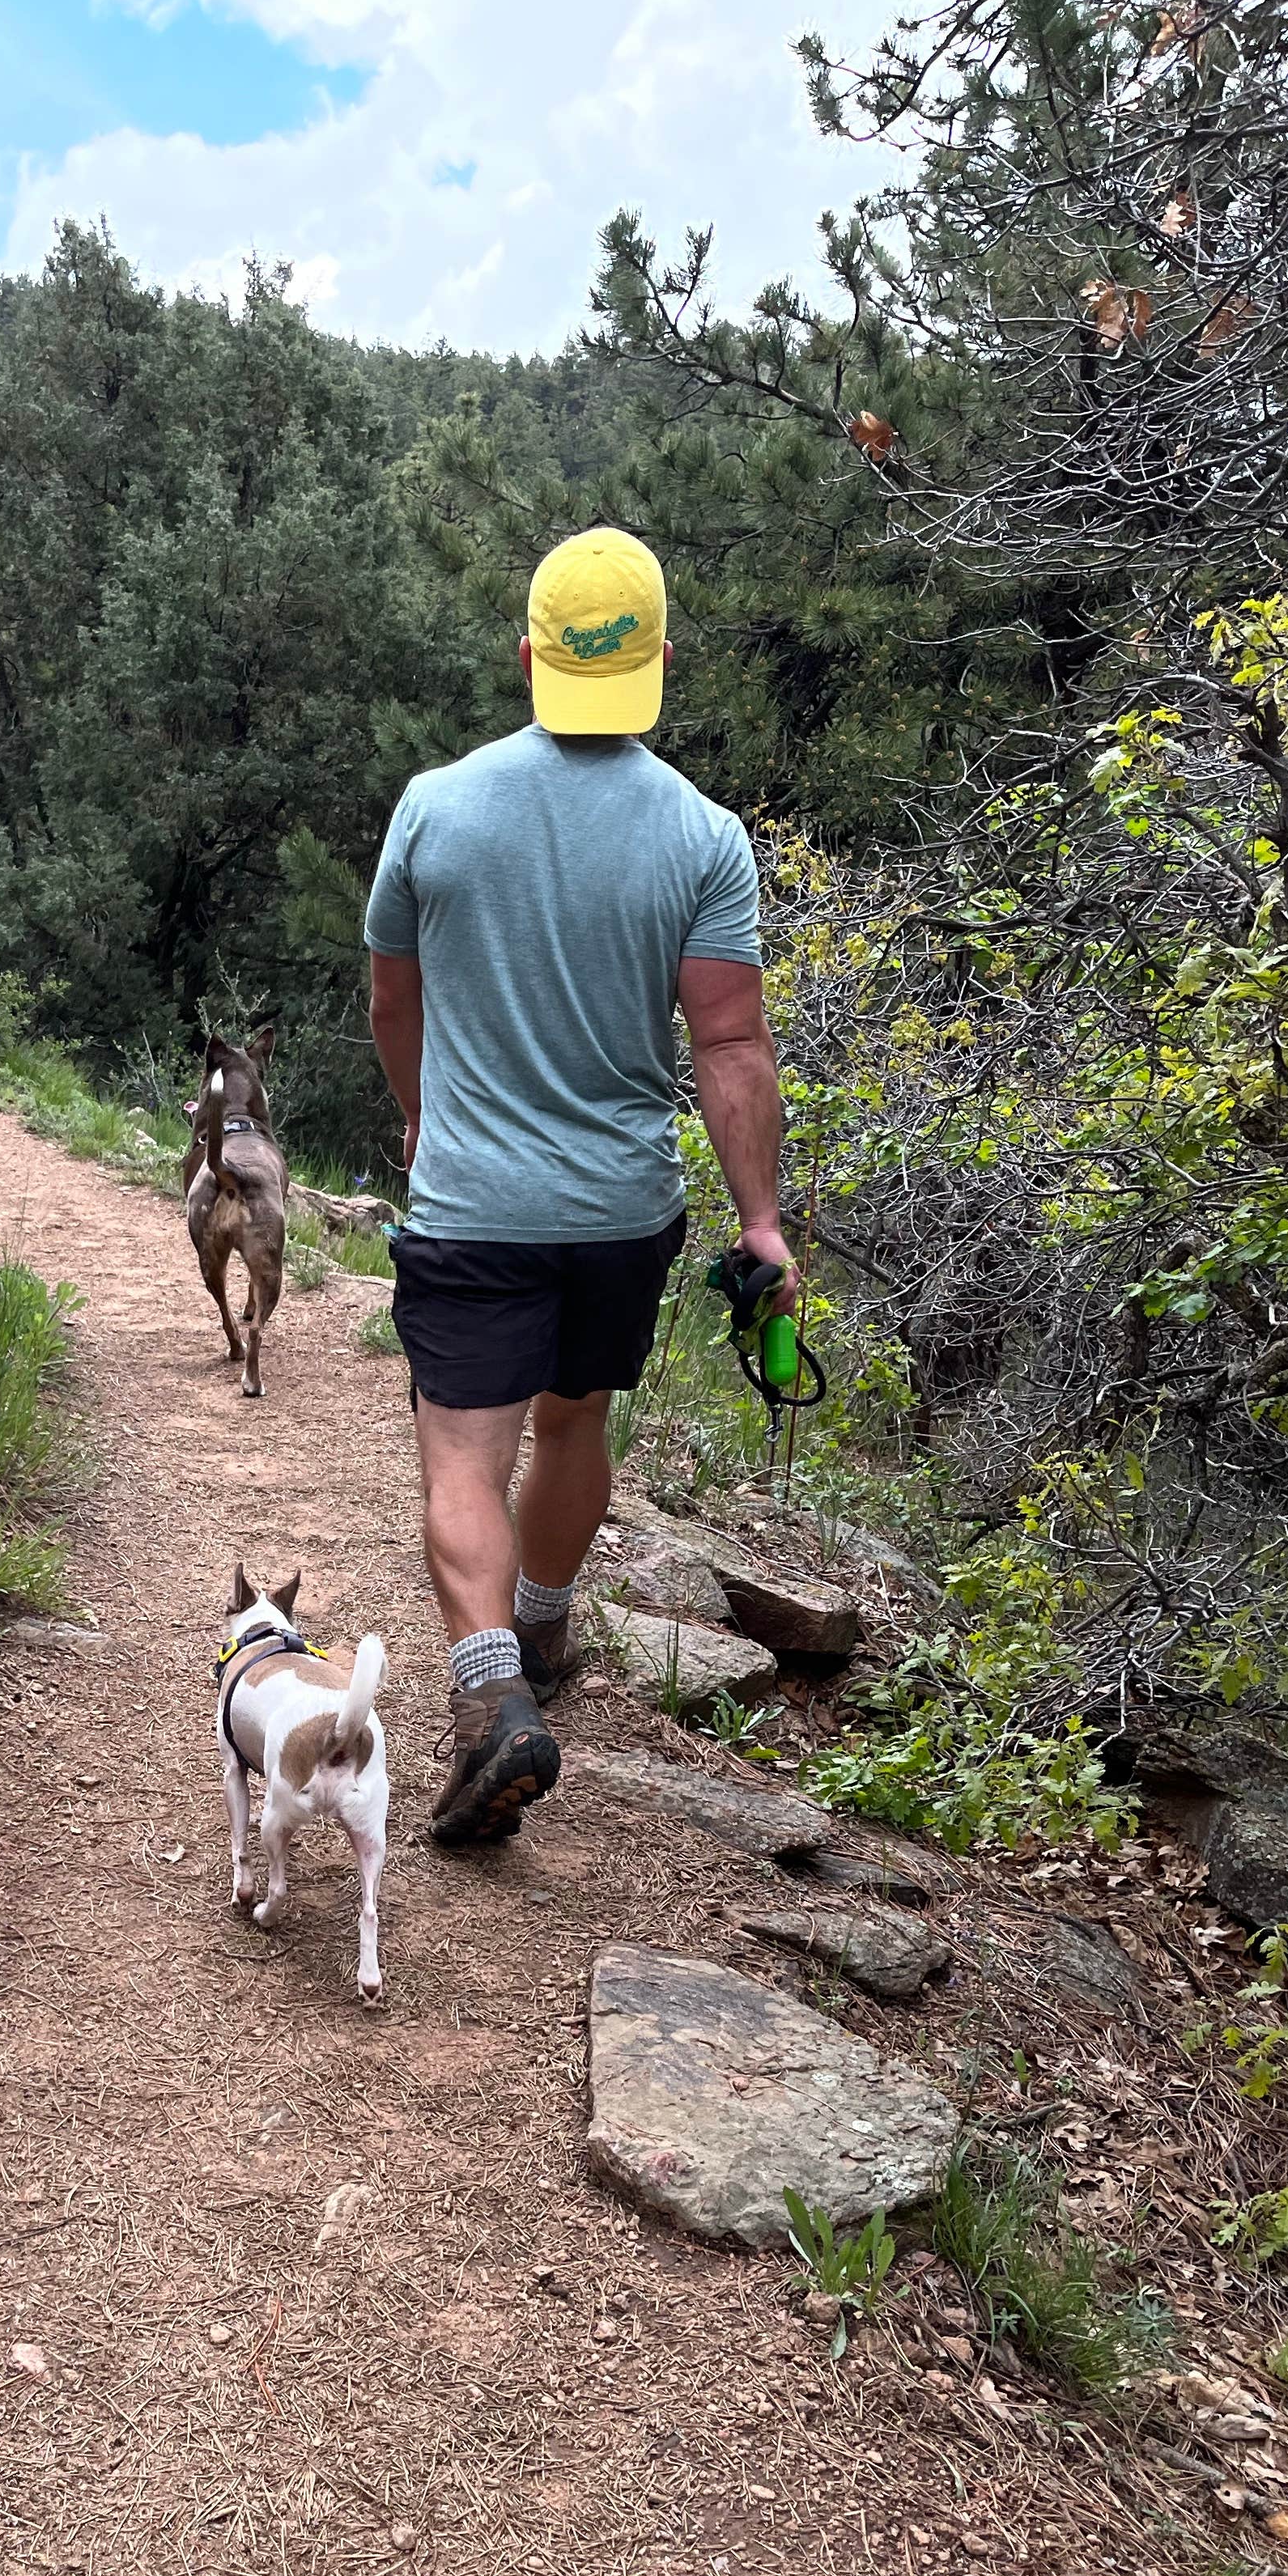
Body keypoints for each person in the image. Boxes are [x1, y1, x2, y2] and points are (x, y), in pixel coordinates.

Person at [363, 522, 796, 1848]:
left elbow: (393, 997)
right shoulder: (704, 836)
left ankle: (490, 1696)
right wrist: (764, 1221)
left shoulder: (438, 805)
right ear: (661, 658)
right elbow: (729, 1044)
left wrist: (432, 1121)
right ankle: (542, 1626)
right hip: (621, 1211)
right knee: (575, 1426)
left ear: (530, 654)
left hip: (476, 1206)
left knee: (462, 1453)